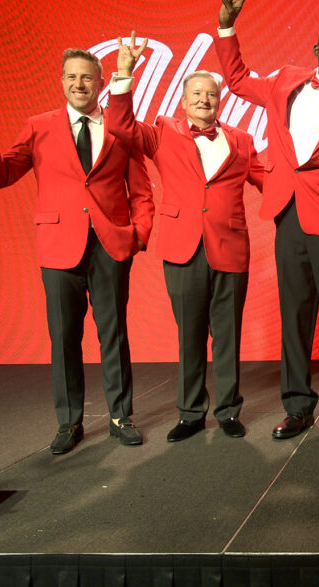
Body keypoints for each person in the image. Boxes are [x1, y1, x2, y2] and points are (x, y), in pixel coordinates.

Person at [0, 49, 154, 455]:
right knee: (63, 337)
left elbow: (142, 190)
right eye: (71, 77)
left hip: (111, 245)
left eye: (87, 77)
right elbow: (4, 174)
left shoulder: (120, 128)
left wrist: (138, 235)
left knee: (114, 334)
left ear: (100, 82)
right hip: (59, 247)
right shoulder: (38, 127)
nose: (79, 84)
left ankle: (120, 417)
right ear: (61, 82)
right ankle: (69, 422)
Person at [213, 0, 319, 439]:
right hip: (290, 218)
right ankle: (298, 406)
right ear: (317, 51)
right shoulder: (285, 83)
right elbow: (238, 80)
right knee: (296, 316)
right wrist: (226, 29)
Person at [108, 32, 264, 442]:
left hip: (230, 249)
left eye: (210, 94)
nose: (204, 100)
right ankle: (191, 413)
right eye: (196, 94)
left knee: (227, 336)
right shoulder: (161, 133)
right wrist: (124, 74)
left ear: (221, 100)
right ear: (182, 100)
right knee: (189, 335)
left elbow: (272, 181)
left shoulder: (242, 141)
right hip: (182, 249)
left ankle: (229, 411)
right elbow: (120, 126)